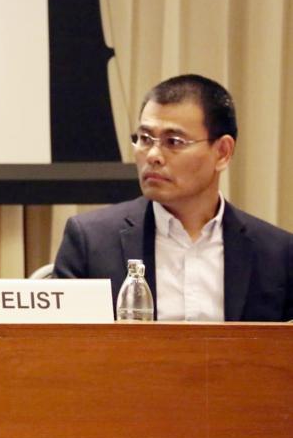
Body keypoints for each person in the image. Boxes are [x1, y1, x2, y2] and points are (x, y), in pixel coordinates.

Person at [54, 74, 293, 322]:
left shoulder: (278, 254)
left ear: (222, 152)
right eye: (145, 139)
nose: (153, 156)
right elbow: (60, 341)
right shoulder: (91, 241)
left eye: (174, 142)